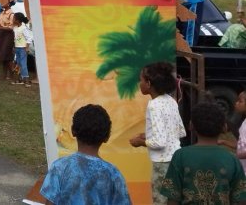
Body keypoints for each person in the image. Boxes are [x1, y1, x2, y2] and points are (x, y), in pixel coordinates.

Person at [39, 104, 131, 205]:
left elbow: (50, 203)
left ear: (73, 131)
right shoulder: (113, 173)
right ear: (107, 137)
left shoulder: (60, 167)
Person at [160, 102, 246, 204]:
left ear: (191, 125)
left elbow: (172, 198)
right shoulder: (232, 159)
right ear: (224, 127)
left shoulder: (180, 156)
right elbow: (241, 200)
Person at [129, 61, 186, 204]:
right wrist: (148, 135)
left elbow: (159, 142)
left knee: (160, 200)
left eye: (141, 80)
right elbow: (180, 131)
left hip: (162, 163)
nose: (139, 83)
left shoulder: (154, 105)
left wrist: (140, 142)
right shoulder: (171, 101)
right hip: (177, 160)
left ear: (148, 83)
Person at [11, 13, 33, 86]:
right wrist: (14, 47)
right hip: (17, 48)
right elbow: (15, 38)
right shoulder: (15, 28)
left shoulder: (24, 28)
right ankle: (20, 79)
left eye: (14, 18)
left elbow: (29, 38)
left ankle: (26, 80)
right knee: (18, 64)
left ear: (17, 20)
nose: (13, 20)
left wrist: (26, 48)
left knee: (23, 64)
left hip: (23, 48)